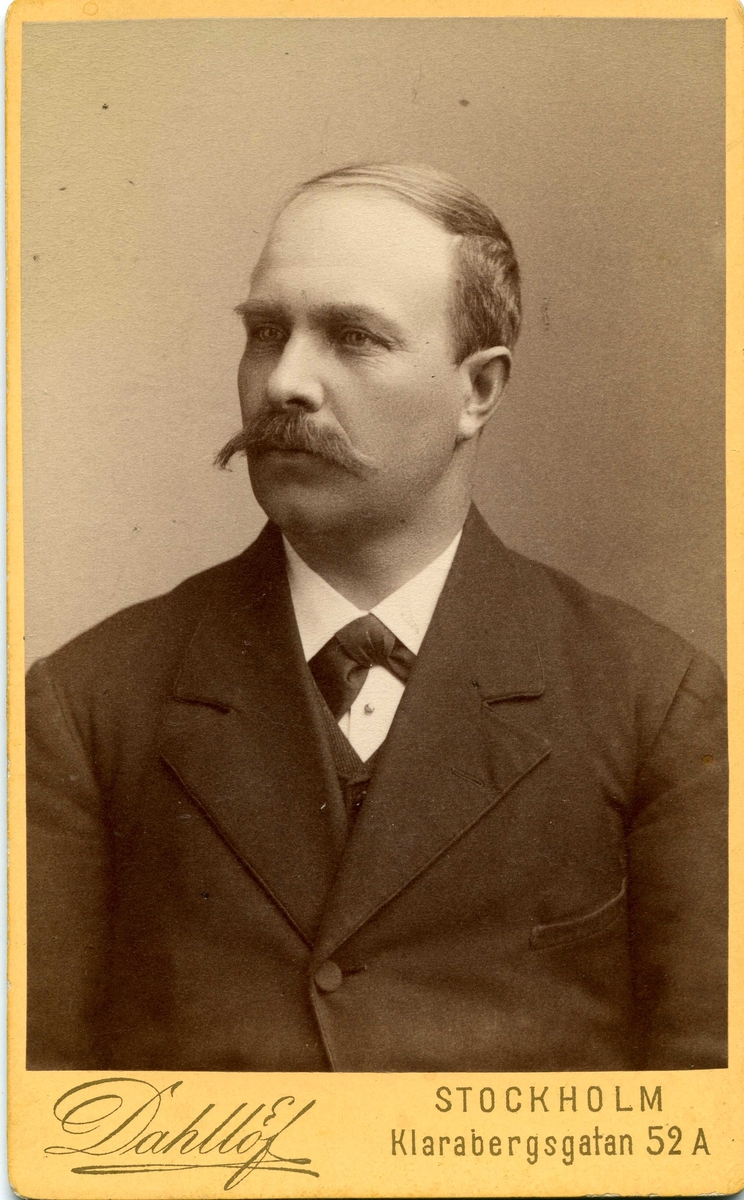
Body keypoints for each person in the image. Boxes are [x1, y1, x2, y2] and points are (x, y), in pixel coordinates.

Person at [26, 162, 727, 1073]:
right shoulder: (88, 705)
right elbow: (39, 1106)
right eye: (266, 333)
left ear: (478, 390)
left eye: (353, 337)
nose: (285, 381)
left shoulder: (651, 702)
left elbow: (710, 1101)